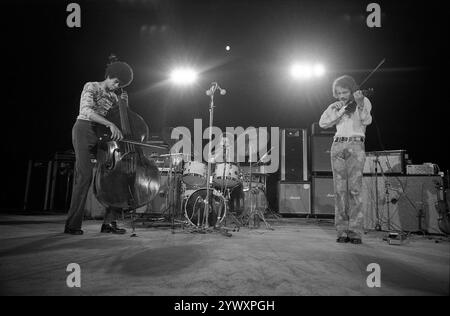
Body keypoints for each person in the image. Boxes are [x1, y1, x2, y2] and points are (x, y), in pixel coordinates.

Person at [64, 61, 134, 235]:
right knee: (85, 176)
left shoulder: (114, 96)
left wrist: (124, 104)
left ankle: (109, 223)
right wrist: (110, 124)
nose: (117, 86)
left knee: (115, 176)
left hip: (102, 134)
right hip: (84, 128)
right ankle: (72, 225)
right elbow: (86, 111)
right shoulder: (92, 86)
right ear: (109, 75)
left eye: (121, 85)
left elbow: (121, 120)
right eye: (116, 82)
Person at [319, 75, 372, 244]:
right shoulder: (335, 106)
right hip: (337, 147)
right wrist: (339, 111)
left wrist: (361, 103)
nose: (342, 96)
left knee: (355, 190)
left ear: (352, 90)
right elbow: (323, 123)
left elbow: (367, 120)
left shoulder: (363, 101)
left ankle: (355, 232)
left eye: (345, 92)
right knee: (339, 190)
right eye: (339, 93)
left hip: (356, 146)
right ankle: (342, 231)